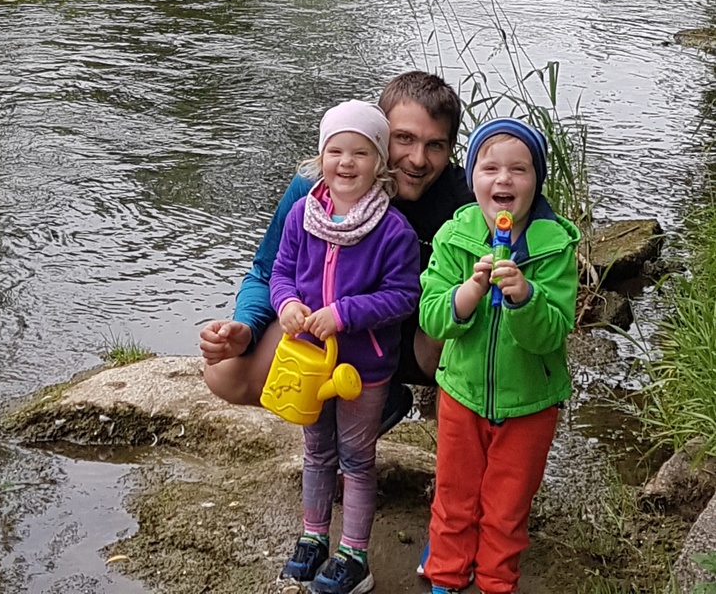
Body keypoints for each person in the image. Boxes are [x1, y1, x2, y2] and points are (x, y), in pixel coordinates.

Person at [199, 71, 472, 421]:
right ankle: (375, 404)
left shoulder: (465, 203)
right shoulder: (315, 189)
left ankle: (440, 424)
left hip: (412, 340)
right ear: (379, 133)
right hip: (336, 332)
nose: (418, 159)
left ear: (450, 149)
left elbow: (529, 206)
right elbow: (267, 272)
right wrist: (246, 329)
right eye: (403, 139)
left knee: (451, 321)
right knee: (226, 374)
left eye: (435, 145)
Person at [419, 118, 580, 594]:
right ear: (472, 179)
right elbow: (432, 316)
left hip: (530, 402)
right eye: (489, 168)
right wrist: (469, 291)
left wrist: (524, 298)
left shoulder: (555, 248)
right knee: (453, 498)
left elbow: (551, 332)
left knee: (507, 508)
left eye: (519, 170)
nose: (504, 179)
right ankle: (445, 577)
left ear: (537, 181)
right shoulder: (455, 237)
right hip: (461, 395)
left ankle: (495, 582)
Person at [270, 100, 420, 594]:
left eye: (360, 152)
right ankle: (313, 538)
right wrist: (287, 303)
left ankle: (354, 555)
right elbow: (281, 273)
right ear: (320, 158)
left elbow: (403, 295)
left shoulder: (393, 229)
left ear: (380, 162)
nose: (346, 162)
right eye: (336, 151)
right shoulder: (301, 214)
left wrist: (344, 313)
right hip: (310, 360)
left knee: (356, 458)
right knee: (315, 452)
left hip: (364, 365)